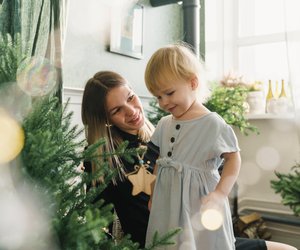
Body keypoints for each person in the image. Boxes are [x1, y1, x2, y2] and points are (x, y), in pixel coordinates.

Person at [81, 70, 296, 250]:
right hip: (166, 242)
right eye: (117, 110)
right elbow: (97, 223)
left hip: (200, 235)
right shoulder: (104, 160)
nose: (132, 111)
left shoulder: (162, 133)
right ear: (105, 120)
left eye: (130, 98)